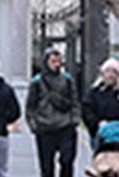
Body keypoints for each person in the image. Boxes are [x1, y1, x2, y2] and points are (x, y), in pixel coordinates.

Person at [26, 49, 81, 177]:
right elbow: (31, 106)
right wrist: (34, 125)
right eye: (53, 61)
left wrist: (74, 120)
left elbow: (74, 101)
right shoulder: (37, 82)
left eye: (59, 61)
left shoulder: (67, 80)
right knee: (46, 166)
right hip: (45, 127)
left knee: (67, 160)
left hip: (65, 125)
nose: (56, 64)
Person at [81, 59, 119, 151]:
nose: (110, 75)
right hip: (101, 134)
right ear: (103, 73)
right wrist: (97, 123)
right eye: (108, 71)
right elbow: (87, 110)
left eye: (114, 72)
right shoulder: (94, 92)